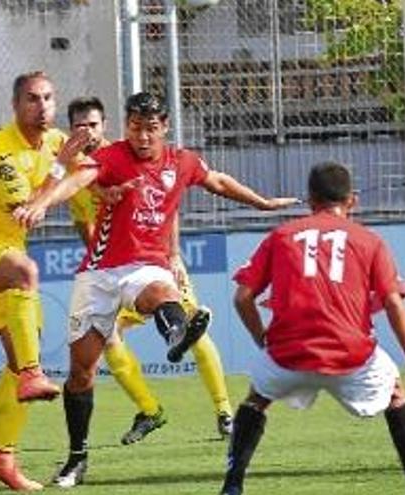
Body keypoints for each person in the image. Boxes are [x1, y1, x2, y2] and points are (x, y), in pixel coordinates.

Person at [13, 91, 297, 488]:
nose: (142, 137)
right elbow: (79, 178)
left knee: (161, 293)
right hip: (98, 274)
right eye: (135, 127)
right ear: (126, 126)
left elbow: (216, 180)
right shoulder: (113, 157)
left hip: (146, 264)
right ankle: (77, 458)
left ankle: (178, 334)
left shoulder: (181, 161)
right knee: (81, 373)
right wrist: (43, 203)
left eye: (150, 129)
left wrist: (261, 203)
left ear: (164, 128)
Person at [221, 162, 405, 495]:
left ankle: (232, 485)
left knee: (256, 398)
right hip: (351, 357)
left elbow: (242, 297)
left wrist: (262, 340)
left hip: (287, 356)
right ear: (353, 200)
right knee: (396, 395)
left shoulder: (281, 236)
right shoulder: (369, 241)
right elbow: (394, 304)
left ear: (309, 200)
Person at [64, 96, 235, 449]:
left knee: (188, 327)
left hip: (153, 262)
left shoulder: (126, 154)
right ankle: (149, 409)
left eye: (93, 125)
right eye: (80, 126)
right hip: (108, 271)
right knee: (109, 344)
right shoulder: (76, 168)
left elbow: (163, 203)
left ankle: (224, 411)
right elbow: (85, 224)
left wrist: (173, 254)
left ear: (107, 125)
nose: (88, 132)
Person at [0, 70, 90, 490]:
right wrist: (61, 173)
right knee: (27, 274)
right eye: (32, 98)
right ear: (15, 105)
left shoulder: (55, 141)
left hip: (9, 250)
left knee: (16, 350)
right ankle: (33, 372)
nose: (42, 105)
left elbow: (89, 173)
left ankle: (0, 456)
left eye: (48, 97)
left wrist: (73, 179)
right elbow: (27, 208)